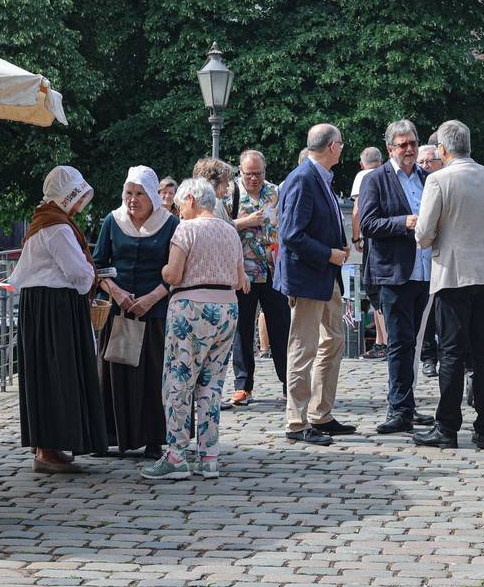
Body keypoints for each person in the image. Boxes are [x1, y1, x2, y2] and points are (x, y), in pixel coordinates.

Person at [413, 121, 484, 450]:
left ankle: (447, 428)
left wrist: (444, 239)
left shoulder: (438, 180)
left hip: (454, 274)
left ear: (442, 149)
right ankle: (483, 428)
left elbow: (423, 234)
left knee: (452, 353)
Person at [141, 179, 247, 481]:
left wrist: (163, 270)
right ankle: (208, 457)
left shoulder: (186, 229)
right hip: (227, 308)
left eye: (179, 206)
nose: (179, 212)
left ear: (190, 199)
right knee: (212, 385)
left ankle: (176, 456)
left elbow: (174, 275)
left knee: (178, 381)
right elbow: (239, 279)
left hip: (191, 308)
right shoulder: (230, 231)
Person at [11, 166, 107, 474]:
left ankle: (47, 446)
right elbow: (78, 273)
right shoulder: (57, 227)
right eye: (76, 197)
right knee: (57, 375)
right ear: (65, 195)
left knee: (45, 374)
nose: (79, 205)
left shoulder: (45, 220)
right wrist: (92, 275)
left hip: (41, 306)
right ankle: (47, 449)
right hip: (54, 307)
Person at [93, 166, 180, 458]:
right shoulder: (112, 221)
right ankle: (109, 436)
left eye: (139, 193)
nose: (133, 199)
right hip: (117, 309)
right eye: (129, 193)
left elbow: (178, 270)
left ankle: (153, 438)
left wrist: (152, 298)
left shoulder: (170, 224)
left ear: (152, 195)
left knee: (152, 375)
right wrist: (117, 293)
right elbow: (98, 264)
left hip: (154, 311)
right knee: (113, 373)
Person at [276, 123, 354, 446]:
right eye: (341, 144)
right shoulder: (303, 178)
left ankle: (320, 413)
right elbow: (291, 234)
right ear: (332, 146)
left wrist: (337, 248)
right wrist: (329, 254)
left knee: (334, 340)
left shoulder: (321, 177)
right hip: (307, 277)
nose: (343, 149)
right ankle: (296, 421)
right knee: (303, 347)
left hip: (326, 276)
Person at [359, 120, 435, 434]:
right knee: (400, 343)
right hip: (394, 274)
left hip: (426, 272)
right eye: (402, 145)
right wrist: (403, 222)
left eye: (413, 143)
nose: (409, 149)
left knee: (413, 344)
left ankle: (408, 405)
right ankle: (398, 409)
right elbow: (367, 224)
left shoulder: (428, 178)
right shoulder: (375, 179)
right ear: (390, 148)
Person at [229, 149, 290, 405]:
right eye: (249, 174)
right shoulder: (230, 193)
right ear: (240, 172)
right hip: (242, 272)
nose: (254, 178)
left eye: (258, 173)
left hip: (274, 270)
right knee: (242, 329)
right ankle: (243, 386)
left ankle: (289, 384)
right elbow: (219, 226)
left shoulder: (276, 192)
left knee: (282, 328)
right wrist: (244, 222)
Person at [351, 146, 387, 359]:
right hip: (389, 235)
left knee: (375, 290)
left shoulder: (363, 176)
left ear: (361, 163)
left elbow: (357, 211)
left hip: (373, 238)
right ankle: (382, 342)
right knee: (380, 290)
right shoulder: (387, 174)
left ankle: (385, 342)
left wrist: (356, 238)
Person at [416, 144, 444, 378]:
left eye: (429, 161)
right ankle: (428, 358)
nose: (425, 166)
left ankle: (447, 356)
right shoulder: (415, 184)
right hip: (421, 257)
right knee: (426, 313)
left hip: (444, 259)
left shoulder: (446, 183)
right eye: (421, 162)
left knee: (444, 312)